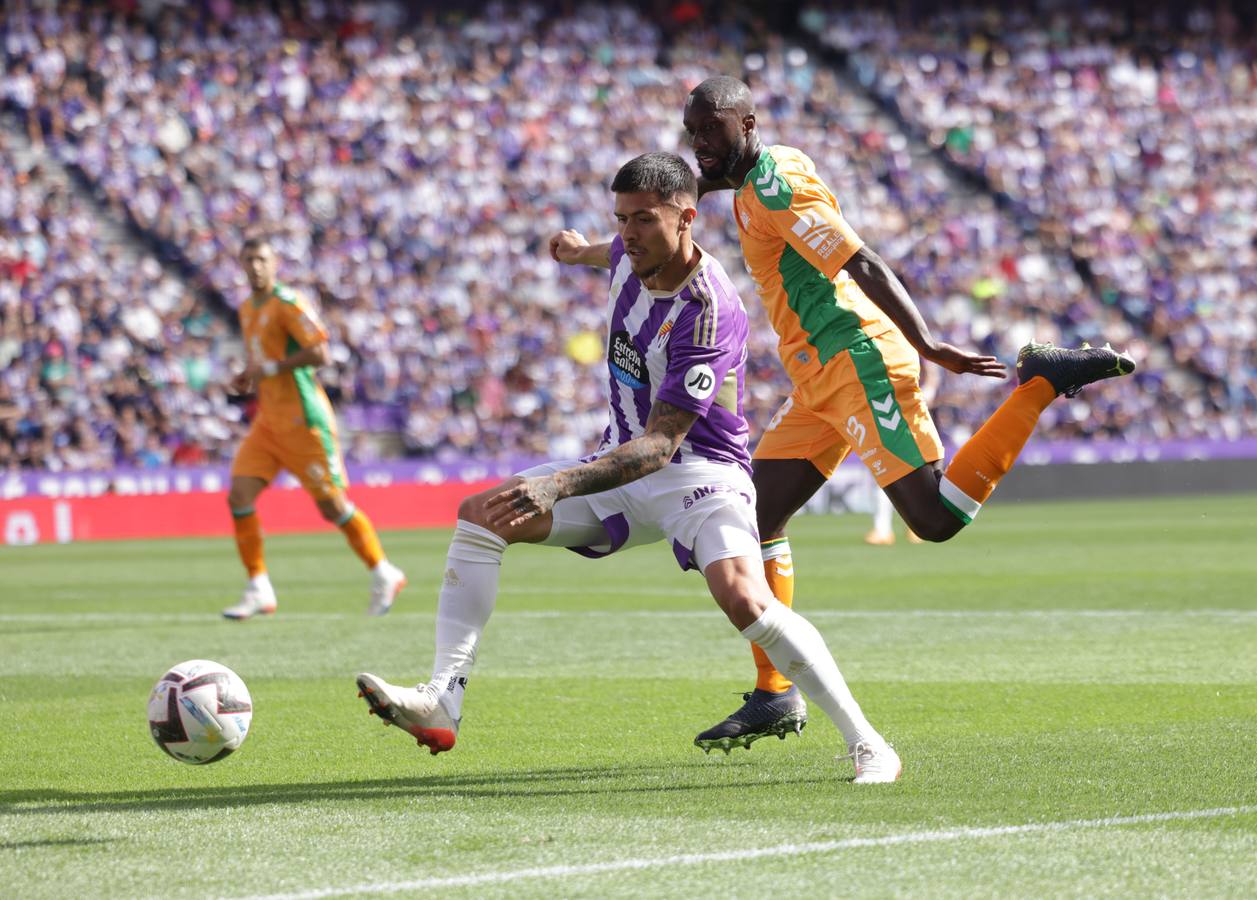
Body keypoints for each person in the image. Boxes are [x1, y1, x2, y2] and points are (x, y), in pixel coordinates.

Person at [355, 152, 902, 782]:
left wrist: (556, 484)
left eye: (643, 220)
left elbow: (662, 445)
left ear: (687, 218)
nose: (628, 234)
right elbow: (606, 254)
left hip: (699, 475)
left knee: (745, 600)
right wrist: (576, 249)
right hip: (618, 467)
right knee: (481, 518)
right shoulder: (626, 254)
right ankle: (442, 700)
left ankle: (868, 743)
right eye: (620, 220)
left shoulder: (709, 309)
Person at [681, 76, 1135, 750]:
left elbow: (858, 259)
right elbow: (720, 185)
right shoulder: (755, 177)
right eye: (692, 133)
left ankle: (1036, 383)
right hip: (816, 379)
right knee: (752, 519)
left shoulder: (776, 188)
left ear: (746, 120)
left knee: (934, 518)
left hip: (856, 359)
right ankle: (774, 693)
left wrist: (926, 343)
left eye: (710, 130)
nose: (700, 145)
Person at [222, 236, 407, 619]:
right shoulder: (246, 309)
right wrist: (249, 376)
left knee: (332, 507)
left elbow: (321, 353)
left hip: (304, 421)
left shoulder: (288, 304)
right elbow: (265, 358)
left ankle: (383, 571)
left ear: (274, 264)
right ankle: (259, 587)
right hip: (268, 422)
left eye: (261, 259)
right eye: (248, 260)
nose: (255, 266)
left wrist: (269, 369)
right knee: (239, 496)